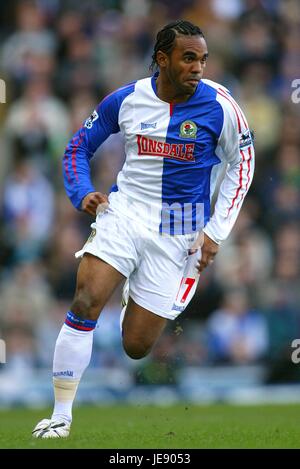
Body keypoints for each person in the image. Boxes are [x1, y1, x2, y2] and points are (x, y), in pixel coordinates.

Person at [32, 20, 255, 438]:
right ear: (162, 59)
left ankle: (137, 290)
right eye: (189, 58)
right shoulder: (127, 99)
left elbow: (243, 165)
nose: (198, 68)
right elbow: (79, 145)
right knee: (85, 300)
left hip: (179, 230)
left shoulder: (222, 107)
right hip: (126, 212)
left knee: (136, 346)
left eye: (203, 59)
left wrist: (216, 231)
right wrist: (82, 192)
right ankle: (60, 416)